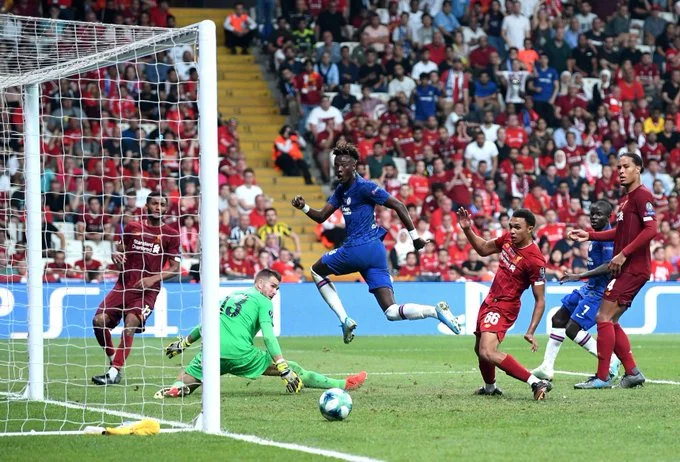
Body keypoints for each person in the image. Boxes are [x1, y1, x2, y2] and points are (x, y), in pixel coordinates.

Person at [291, 142, 461, 344]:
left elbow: (399, 205)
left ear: (354, 166)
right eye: (336, 165)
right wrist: (304, 207)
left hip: (357, 249)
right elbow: (321, 217)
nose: (339, 169)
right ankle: (434, 311)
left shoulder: (365, 186)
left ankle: (344, 320)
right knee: (391, 311)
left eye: (344, 165)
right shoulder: (341, 190)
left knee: (316, 271)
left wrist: (415, 238)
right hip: (376, 252)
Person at [156, 269, 366, 398]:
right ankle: (344, 384)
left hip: (212, 353)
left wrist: (184, 343)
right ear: (259, 284)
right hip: (241, 354)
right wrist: (282, 367)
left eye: (277, 289)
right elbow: (268, 336)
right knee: (294, 369)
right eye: (273, 286)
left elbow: (206, 324)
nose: (274, 292)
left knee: (186, 381)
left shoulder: (230, 296)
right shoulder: (263, 301)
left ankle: (175, 389)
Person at [570, 153, 656, 389]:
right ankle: (632, 372)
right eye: (619, 167)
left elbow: (651, 230)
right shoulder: (626, 201)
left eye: (626, 166)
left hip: (633, 267)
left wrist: (624, 253)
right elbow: (620, 232)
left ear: (638, 169)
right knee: (611, 320)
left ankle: (602, 377)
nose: (621, 171)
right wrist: (590, 235)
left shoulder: (642, 196)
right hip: (627, 268)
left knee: (603, 317)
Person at [456, 207, 552, 400]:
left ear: (530, 229)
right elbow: (483, 249)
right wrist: (467, 229)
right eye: (511, 226)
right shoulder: (508, 239)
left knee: (488, 351)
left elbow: (540, 300)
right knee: (480, 350)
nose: (512, 231)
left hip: (505, 306)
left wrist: (531, 331)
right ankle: (490, 388)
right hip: (490, 301)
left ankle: (536, 382)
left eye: (517, 227)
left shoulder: (535, 261)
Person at [91, 192, 181, 385]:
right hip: (124, 285)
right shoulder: (132, 227)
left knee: (131, 322)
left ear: (166, 208)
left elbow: (175, 268)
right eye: (154, 203)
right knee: (98, 321)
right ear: (146, 206)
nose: (158, 207)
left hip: (148, 291)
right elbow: (120, 251)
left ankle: (113, 373)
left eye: (162, 204)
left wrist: (152, 279)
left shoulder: (171, 234)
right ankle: (113, 359)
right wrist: (115, 255)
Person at [531, 201, 621, 381]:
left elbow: (609, 266)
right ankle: (547, 367)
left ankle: (611, 360)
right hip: (588, 287)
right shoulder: (595, 235)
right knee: (558, 319)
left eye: (599, 214)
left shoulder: (609, 239)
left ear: (608, 217)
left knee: (572, 329)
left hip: (599, 292)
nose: (594, 217)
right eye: (592, 214)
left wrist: (579, 275)